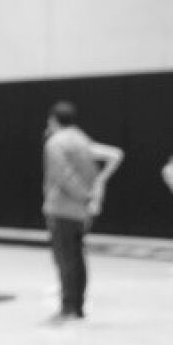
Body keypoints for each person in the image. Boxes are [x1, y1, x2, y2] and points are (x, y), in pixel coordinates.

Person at [41, 101, 122, 322]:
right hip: (80, 211)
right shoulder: (82, 139)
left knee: (65, 259)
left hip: (62, 208)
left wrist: (84, 195)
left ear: (53, 119)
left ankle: (68, 307)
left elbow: (62, 174)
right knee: (77, 257)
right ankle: (77, 306)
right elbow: (115, 155)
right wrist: (96, 188)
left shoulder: (56, 142)